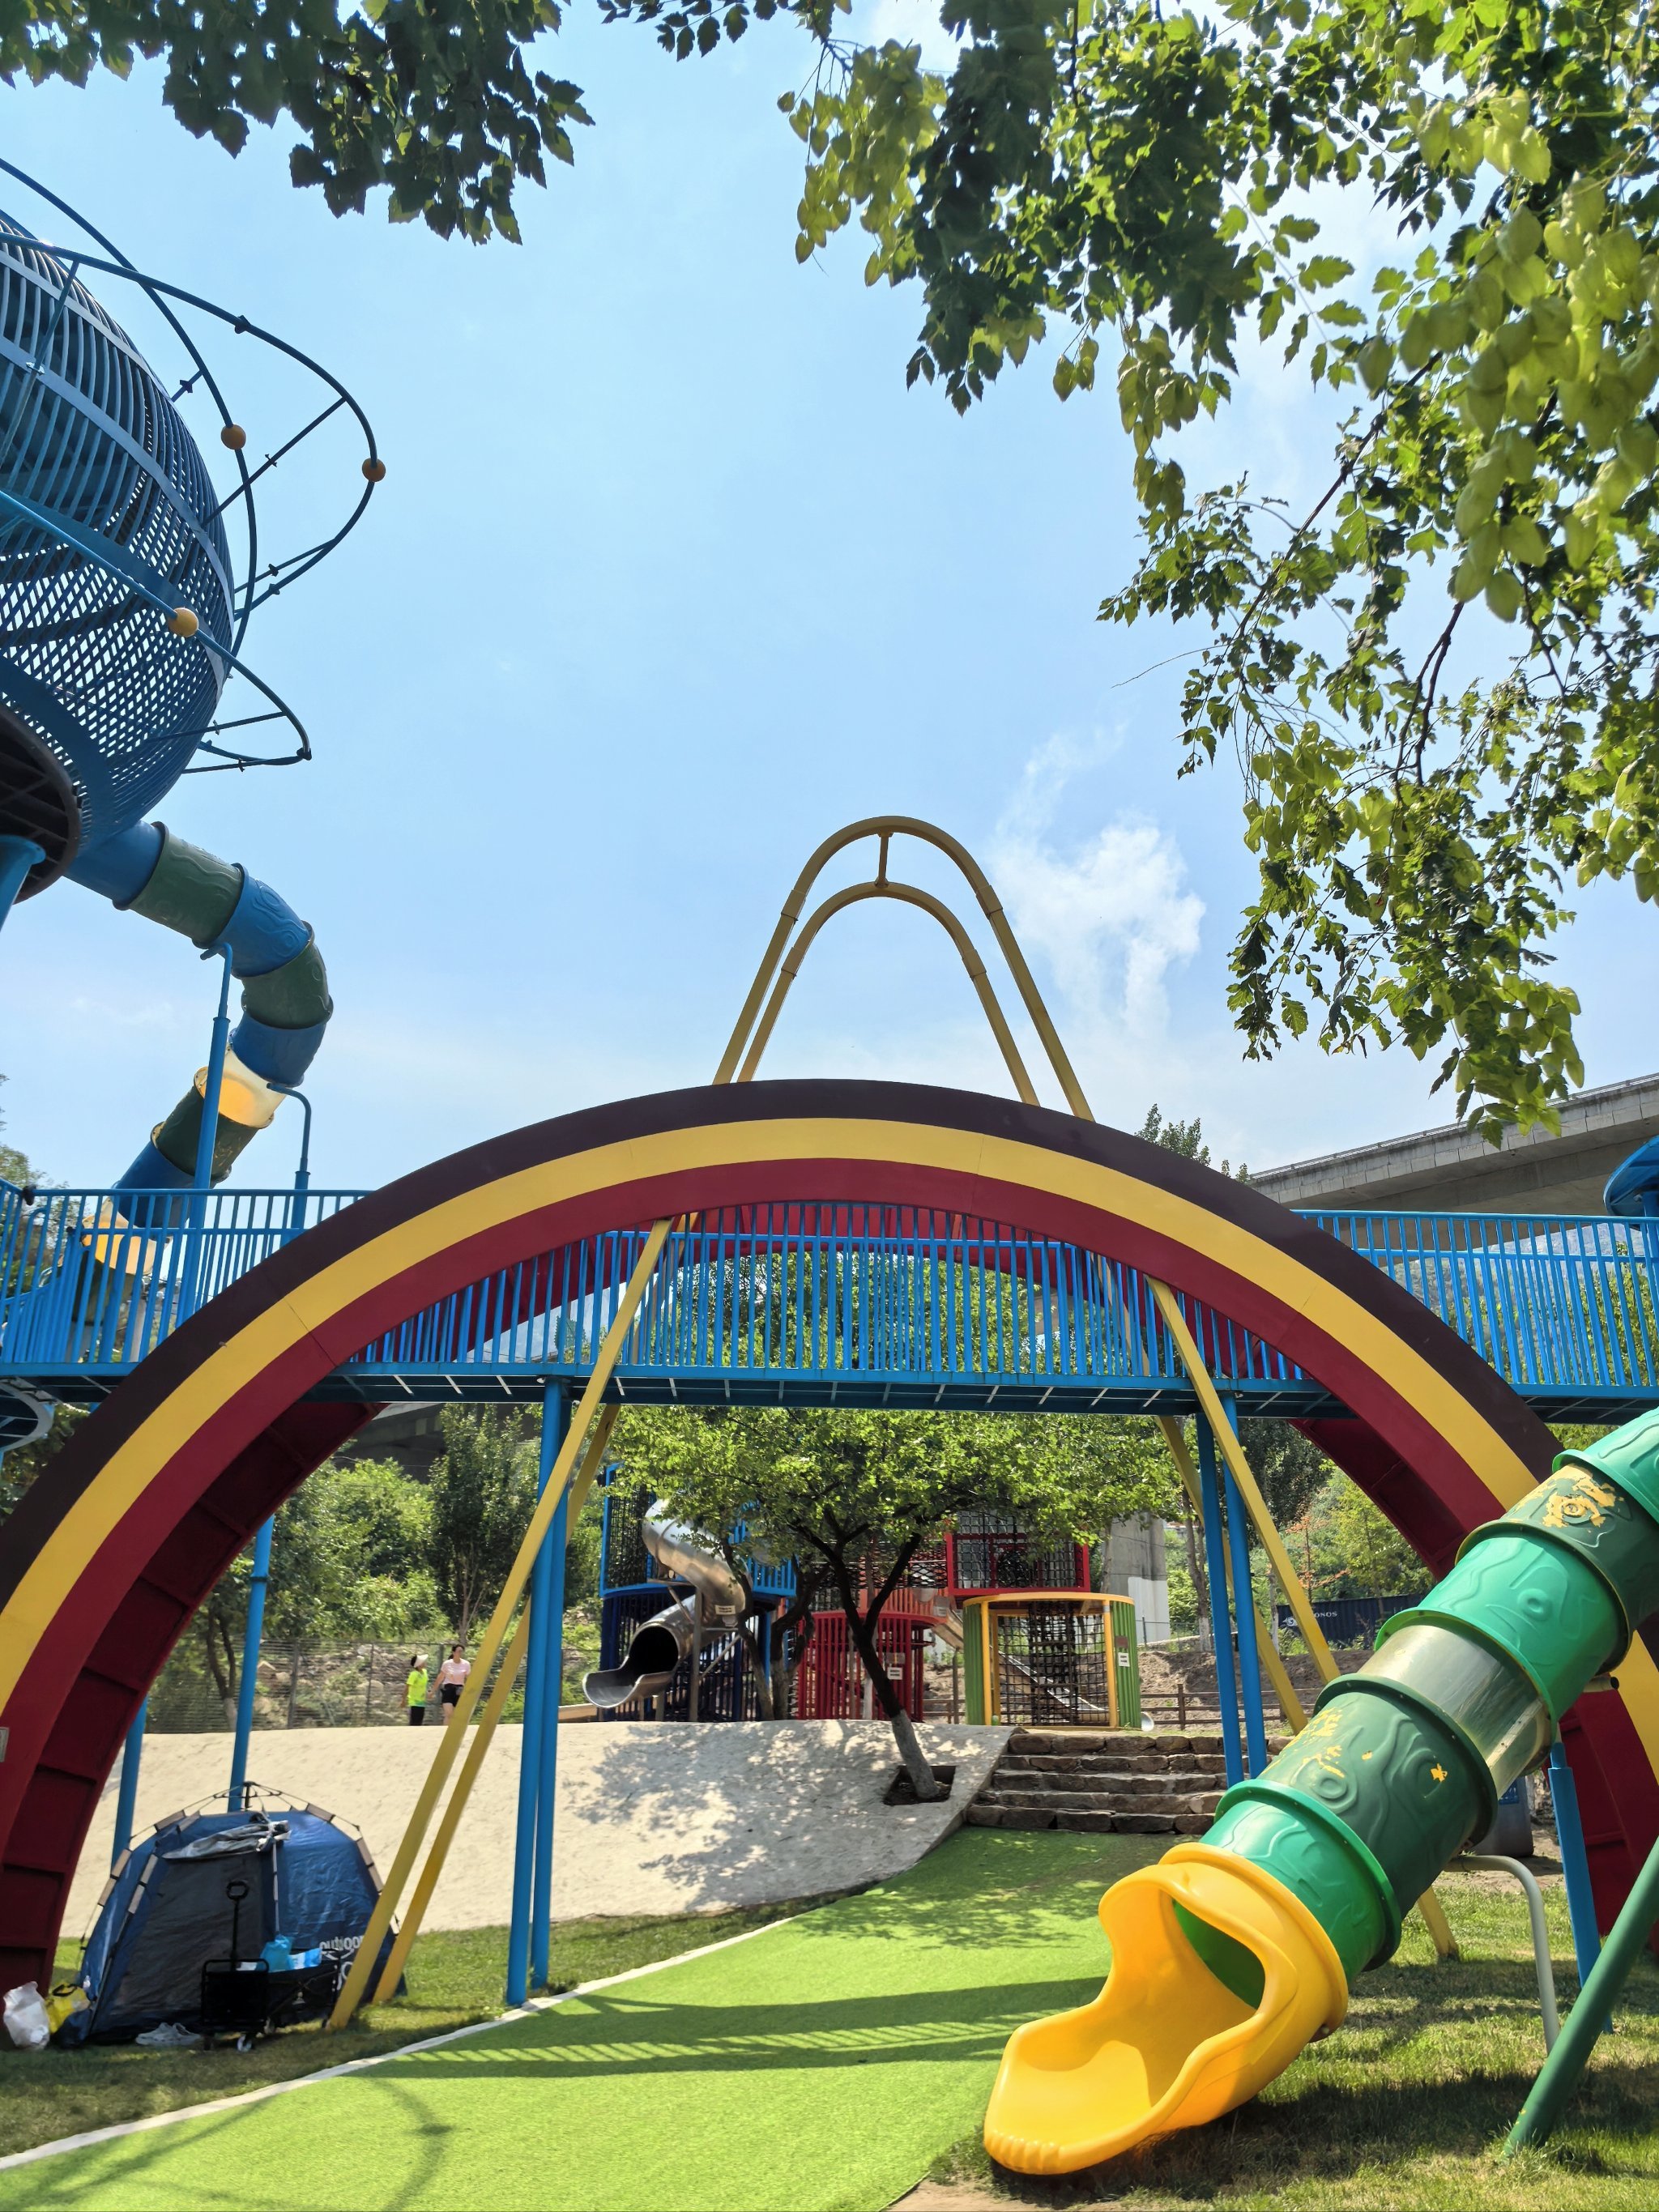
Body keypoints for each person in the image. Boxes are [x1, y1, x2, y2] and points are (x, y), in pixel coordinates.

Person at [435, 1642, 471, 1723]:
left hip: (459, 1690)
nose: (461, 1653)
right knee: (449, 1714)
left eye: (462, 1651)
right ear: (453, 1652)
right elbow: (440, 1677)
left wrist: (470, 1691)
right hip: (448, 1688)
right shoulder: (447, 1664)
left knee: (457, 1715)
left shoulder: (466, 1664)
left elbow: (469, 1678)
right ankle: (445, 1730)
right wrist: (433, 1691)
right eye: (459, 1651)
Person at [406, 1654, 429, 1726]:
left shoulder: (425, 1672)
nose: (425, 1662)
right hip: (414, 1701)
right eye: (423, 1662)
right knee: (414, 1722)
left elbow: (424, 1686)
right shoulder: (414, 1674)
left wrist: (427, 1693)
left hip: (422, 1701)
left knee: (419, 1721)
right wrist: (403, 1700)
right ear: (419, 1664)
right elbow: (407, 1687)